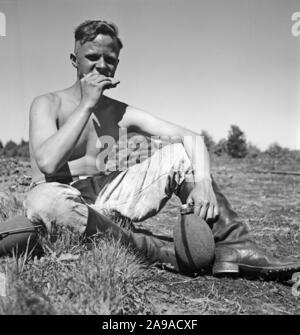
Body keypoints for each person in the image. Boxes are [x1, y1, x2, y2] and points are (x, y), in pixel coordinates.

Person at [2, 20, 300, 279]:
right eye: (92, 57)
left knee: (181, 154)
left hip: (106, 199)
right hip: (60, 197)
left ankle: (234, 246)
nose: (101, 66)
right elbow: (49, 163)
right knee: (45, 202)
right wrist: (87, 103)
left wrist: (204, 183)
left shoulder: (120, 111)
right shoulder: (47, 103)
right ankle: (160, 251)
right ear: (74, 59)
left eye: (110, 59)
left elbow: (191, 137)